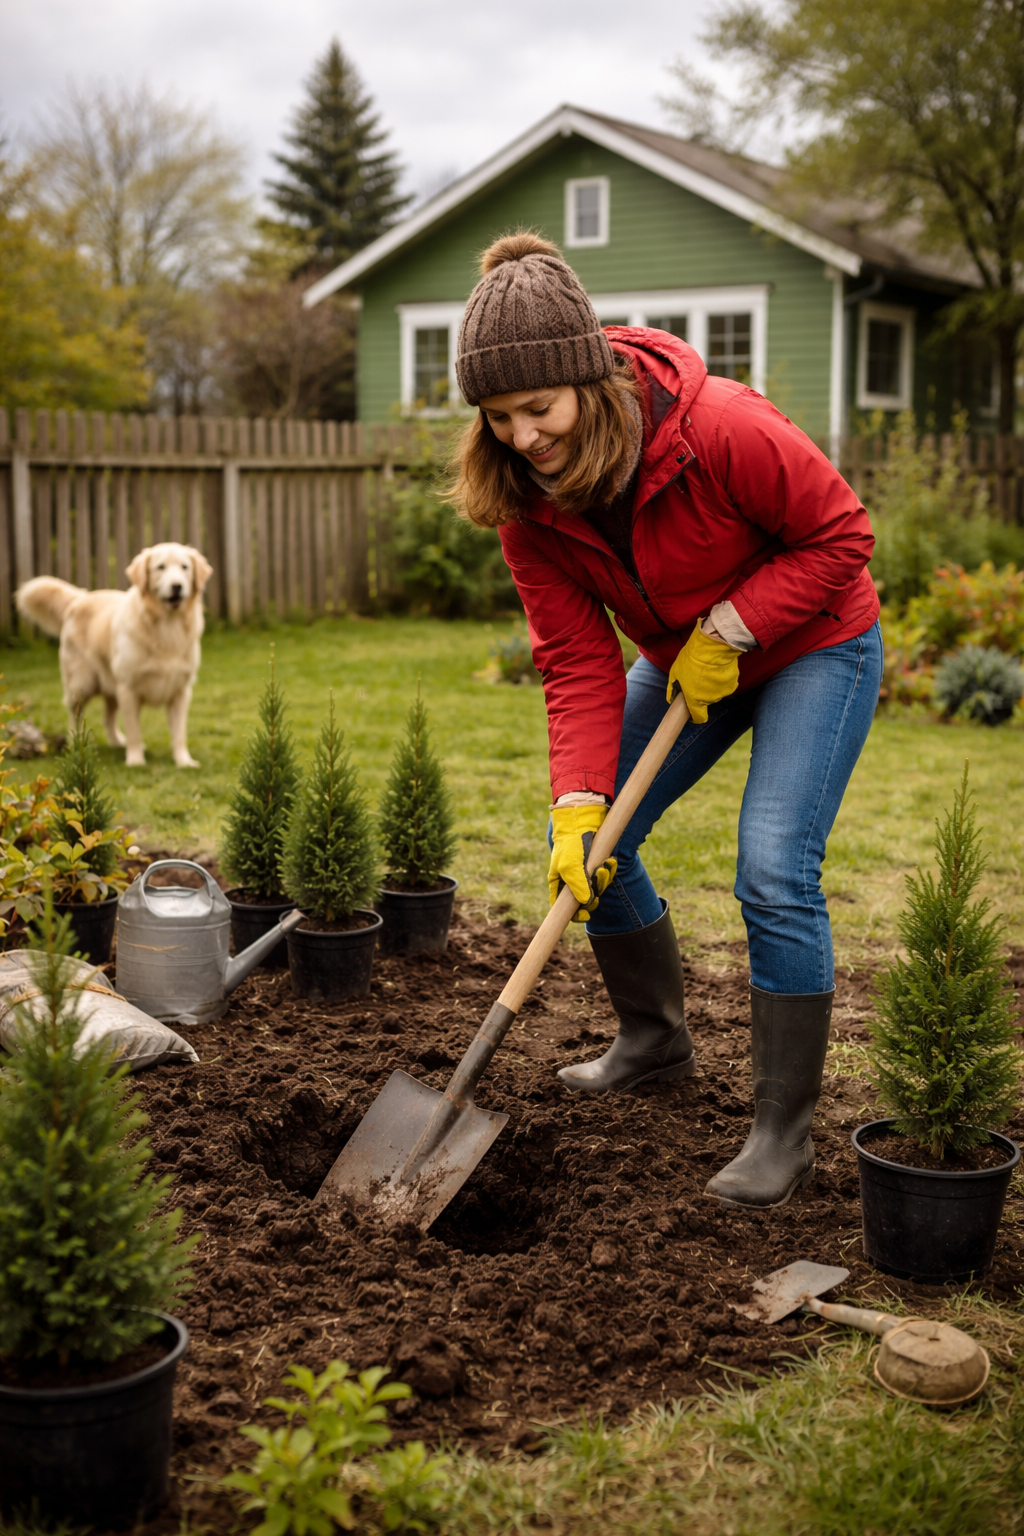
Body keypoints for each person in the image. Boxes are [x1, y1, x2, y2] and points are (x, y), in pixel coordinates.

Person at [450, 232, 881, 1210]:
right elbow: (573, 660)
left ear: (588, 380)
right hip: (680, 665)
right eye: (498, 417)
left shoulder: (720, 426)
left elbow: (842, 535)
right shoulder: (527, 506)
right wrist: (573, 803)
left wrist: (733, 624)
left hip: (815, 645)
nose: (520, 437)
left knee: (773, 866)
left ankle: (781, 1133)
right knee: (597, 841)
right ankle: (653, 1040)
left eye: (537, 409)